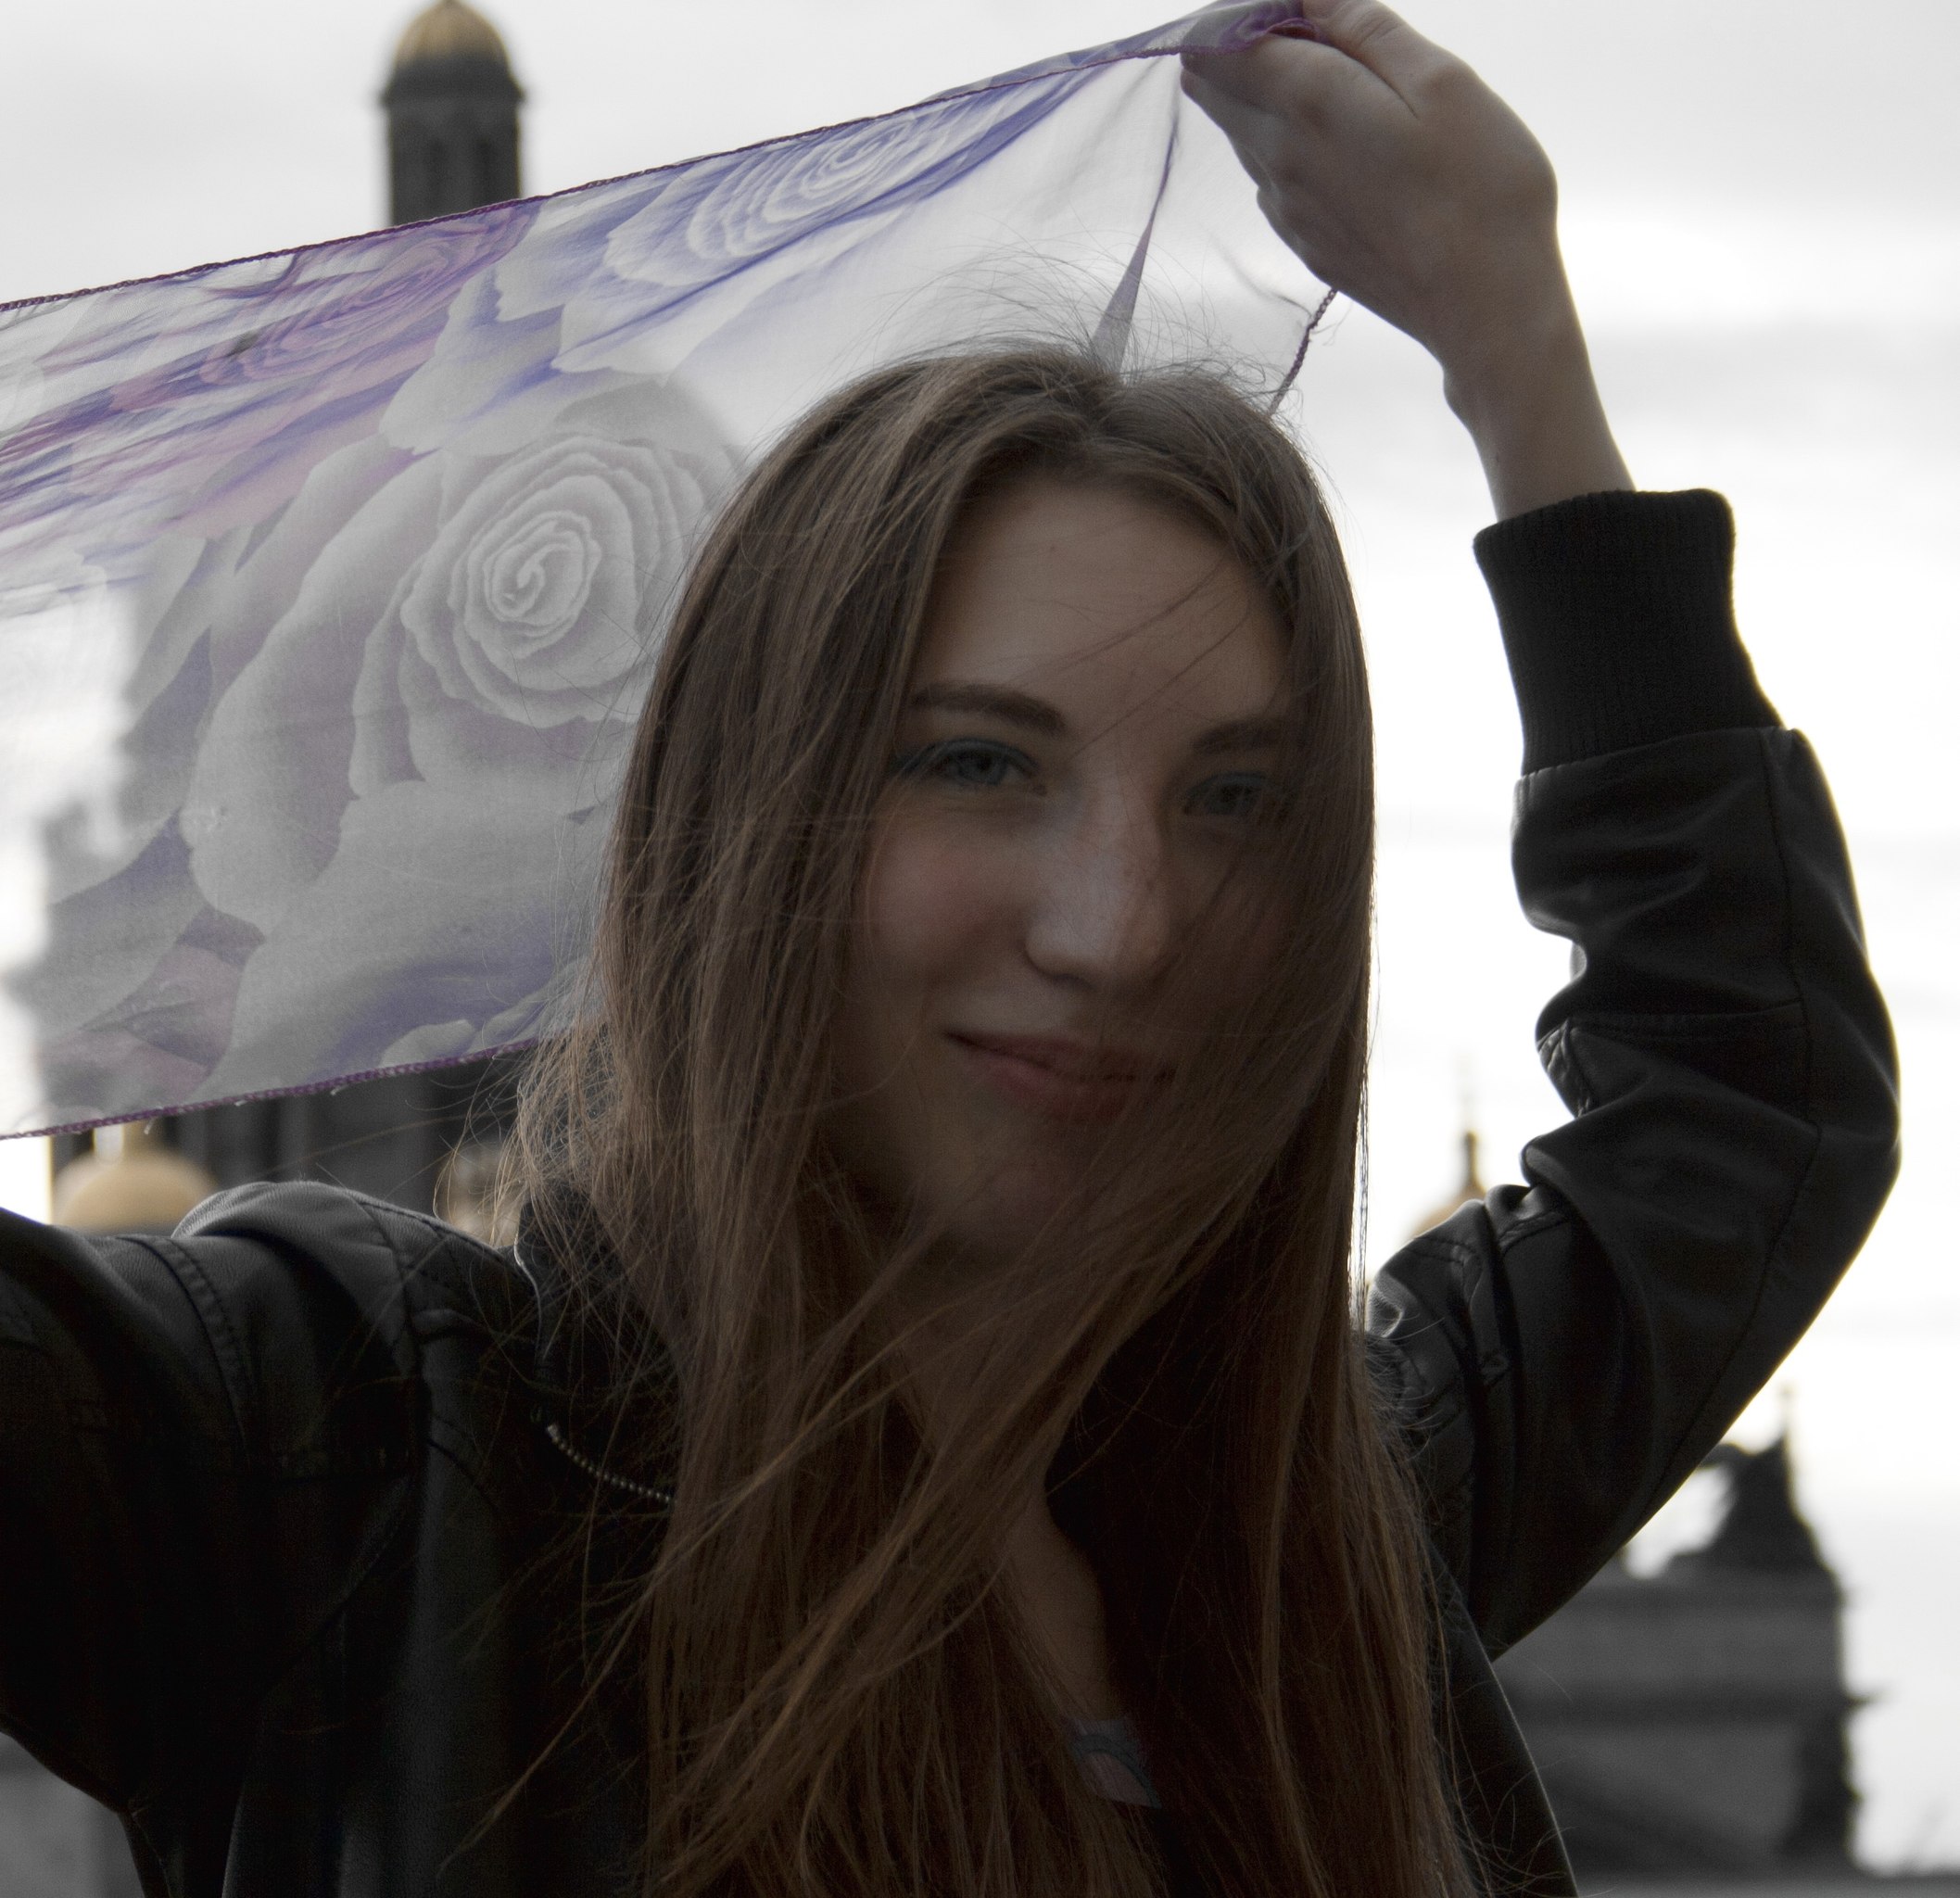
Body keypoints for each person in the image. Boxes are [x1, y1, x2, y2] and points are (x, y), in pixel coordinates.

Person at [0, 2, 1898, 1894]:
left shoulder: (1307, 1536)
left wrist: (1513, 351)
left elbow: (1744, 1101)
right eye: (980, 763)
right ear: (741, 824)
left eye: (1238, 798)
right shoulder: (353, 1452)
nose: (1118, 926)